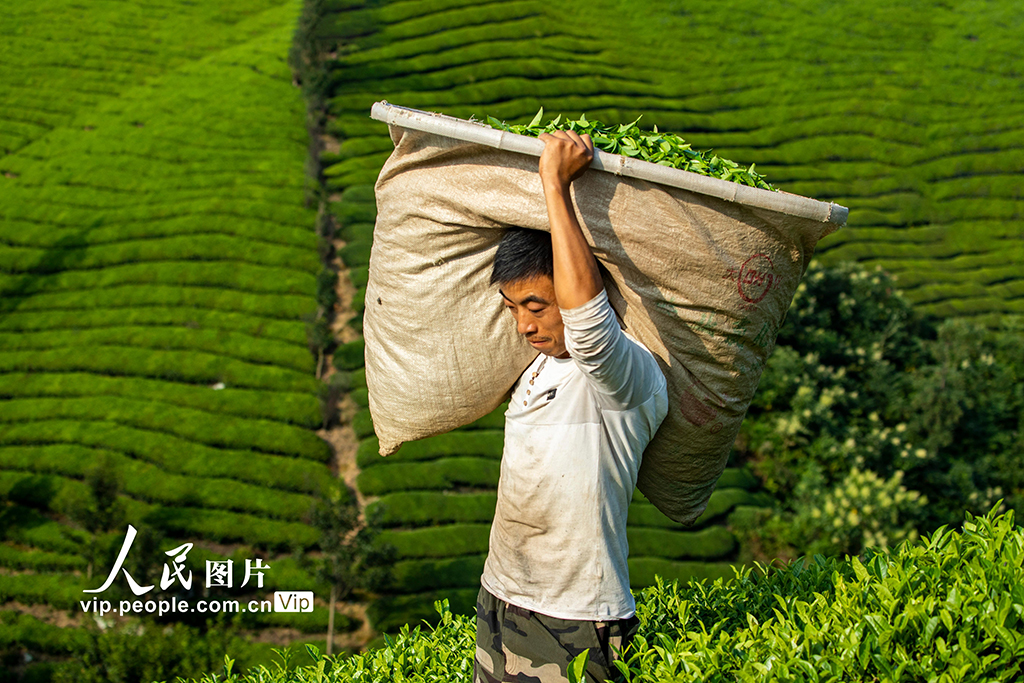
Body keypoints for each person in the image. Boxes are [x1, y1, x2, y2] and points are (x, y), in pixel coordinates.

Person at [473, 129, 670, 683]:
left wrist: (553, 184)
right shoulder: (538, 364)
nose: (524, 325)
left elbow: (588, 324)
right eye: (513, 308)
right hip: (501, 593)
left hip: (577, 615)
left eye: (536, 305)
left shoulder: (625, 376)